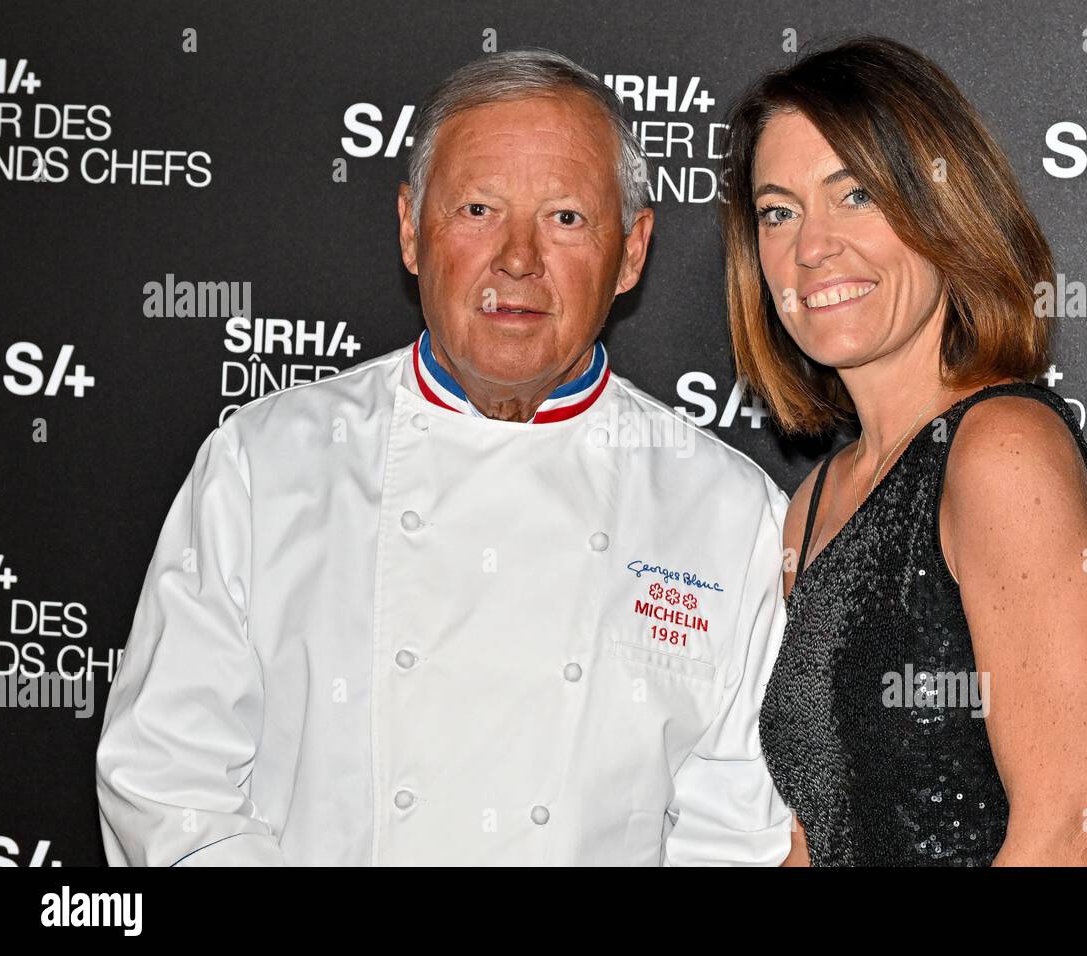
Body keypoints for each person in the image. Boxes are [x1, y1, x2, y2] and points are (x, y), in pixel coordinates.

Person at [96, 49, 793, 866]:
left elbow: (734, 832)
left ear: (633, 251)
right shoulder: (263, 466)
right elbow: (168, 783)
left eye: (566, 217)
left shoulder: (727, 512)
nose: (518, 259)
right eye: (476, 209)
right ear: (409, 230)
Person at [718, 36, 1087, 866]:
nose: (811, 247)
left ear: (943, 210)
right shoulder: (815, 502)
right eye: (778, 211)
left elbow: (1064, 829)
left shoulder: (1000, 450)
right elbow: (815, 833)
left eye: (857, 195)